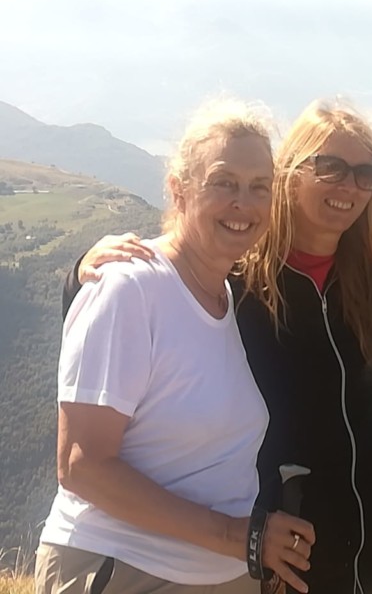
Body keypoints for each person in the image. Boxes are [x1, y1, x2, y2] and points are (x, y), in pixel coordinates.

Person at [63, 100, 372, 594]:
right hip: (279, 553)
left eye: (366, 173)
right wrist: (80, 276)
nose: (349, 185)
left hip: (368, 550)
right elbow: (144, 304)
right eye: (330, 167)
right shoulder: (241, 282)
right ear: (290, 177)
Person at [37, 101, 315, 594]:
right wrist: (240, 536)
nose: (243, 203)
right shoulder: (129, 289)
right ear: (179, 189)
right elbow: (82, 466)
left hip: (224, 574)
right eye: (224, 182)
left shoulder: (229, 296)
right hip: (126, 570)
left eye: (259, 187)